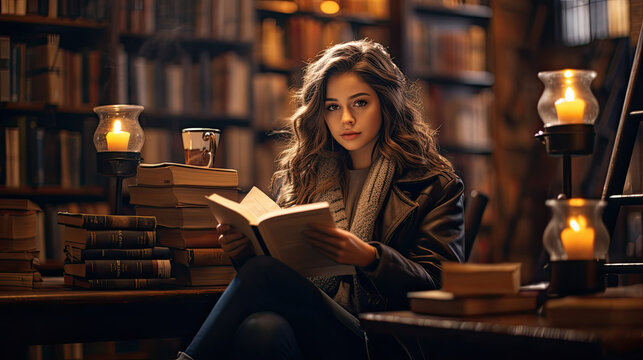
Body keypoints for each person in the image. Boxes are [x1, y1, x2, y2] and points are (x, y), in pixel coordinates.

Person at [177, 39, 464, 360]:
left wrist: (370, 258)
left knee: (262, 274)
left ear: (386, 103)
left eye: (360, 103)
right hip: (317, 328)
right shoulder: (302, 176)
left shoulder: (433, 183)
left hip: (380, 341)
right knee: (261, 329)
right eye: (332, 107)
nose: (346, 119)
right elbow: (284, 277)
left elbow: (442, 287)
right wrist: (243, 251)